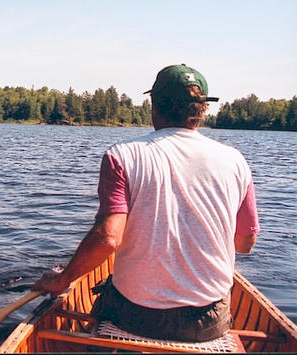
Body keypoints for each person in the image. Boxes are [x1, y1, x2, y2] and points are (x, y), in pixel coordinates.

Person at [33, 64, 260, 342]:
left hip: (137, 316)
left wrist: (63, 279)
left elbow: (108, 239)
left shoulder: (122, 155)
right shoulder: (236, 161)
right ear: (202, 110)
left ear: (155, 106)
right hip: (208, 321)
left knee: (105, 294)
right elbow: (244, 243)